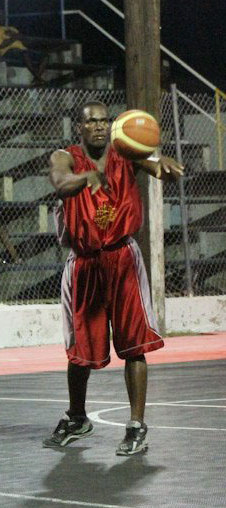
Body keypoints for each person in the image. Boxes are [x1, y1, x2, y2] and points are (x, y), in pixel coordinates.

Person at [43, 101, 184, 454]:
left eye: (105, 121)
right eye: (92, 122)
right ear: (79, 127)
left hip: (123, 258)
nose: (99, 127)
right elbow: (61, 183)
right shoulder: (66, 157)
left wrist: (163, 166)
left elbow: (153, 164)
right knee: (80, 351)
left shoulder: (125, 152)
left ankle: (136, 426)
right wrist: (86, 177)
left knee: (135, 344)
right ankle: (77, 418)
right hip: (85, 263)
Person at [0, 9, 48, 85]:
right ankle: (38, 78)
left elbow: (24, 40)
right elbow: (1, 45)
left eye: (3, 15)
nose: (2, 17)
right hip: (8, 52)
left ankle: (37, 79)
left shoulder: (12, 28)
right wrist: (15, 37)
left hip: (23, 49)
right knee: (24, 53)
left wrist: (16, 36)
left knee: (45, 56)